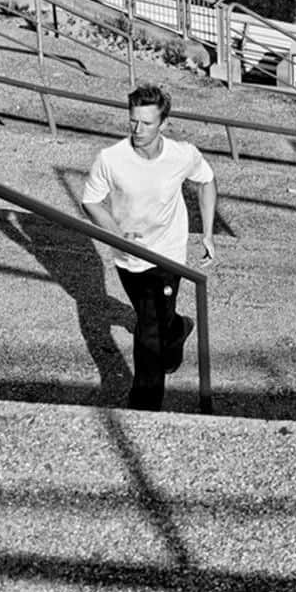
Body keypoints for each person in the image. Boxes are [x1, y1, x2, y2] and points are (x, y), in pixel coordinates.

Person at [82, 83, 217, 410]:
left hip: (168, 253)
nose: (138, 130)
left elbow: (207, 181)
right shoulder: (111, 159)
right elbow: (91, 200)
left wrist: (208, 234)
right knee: (156, 320)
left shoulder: (180, 155)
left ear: (164, 124)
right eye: (133, 121)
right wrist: (116, 233)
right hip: (127, 258)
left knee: (148, 330)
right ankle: (180, 328)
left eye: (147, 123)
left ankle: (144, 407)